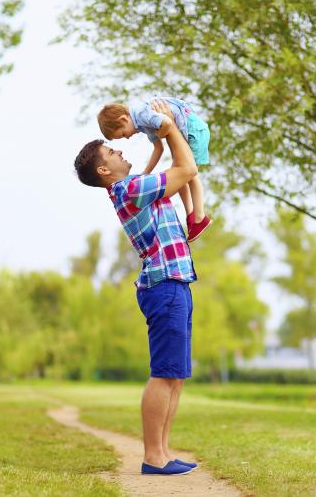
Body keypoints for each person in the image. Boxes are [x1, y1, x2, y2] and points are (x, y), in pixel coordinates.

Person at [73, 100, 198, 476]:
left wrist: (162, 140)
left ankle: (161, 453)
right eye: (112, 150)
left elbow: (174, 173)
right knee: (164, 372)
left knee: (175, 373)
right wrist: (169, 124)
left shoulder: (134, 188)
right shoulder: (127, 190)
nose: (120, 149)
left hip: (175, 282)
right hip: (164, 285)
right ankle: (153, 457)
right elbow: (188, 169)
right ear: (103, 169)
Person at [97, 97, 212, 242]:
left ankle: (200, 217)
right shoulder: (143, 125)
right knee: (180, 175)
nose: (126, 138)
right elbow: (159, 148)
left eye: (123, 134)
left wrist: (162, 133)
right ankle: (191, 216)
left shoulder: (141, 114)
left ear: (123, 120)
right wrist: (145, 174)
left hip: (194, 130)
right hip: (185, 133)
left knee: (190, 174)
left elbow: (167, 122)